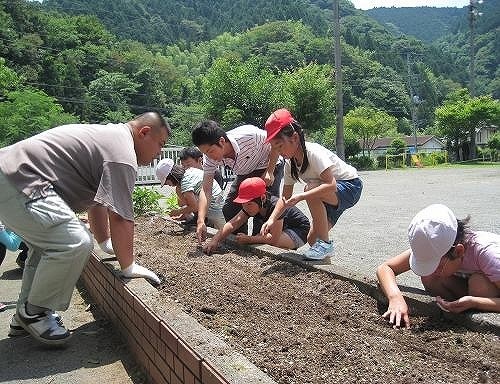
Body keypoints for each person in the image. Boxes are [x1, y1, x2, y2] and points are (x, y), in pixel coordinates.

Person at [0, 111, 170, 345]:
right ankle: (35, 312)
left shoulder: (110, 140)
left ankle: (24, 318)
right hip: (19, 178)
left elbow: (99, 203)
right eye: (160, 145)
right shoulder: (122, 154)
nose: (159, 153)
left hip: (11, 175)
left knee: (47, 249)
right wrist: (128, 266)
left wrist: (104, 243)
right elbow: (121, 216)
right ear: (144, 132)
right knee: (75, 242)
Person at [260, 108, 362, 261]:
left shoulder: (312, 152)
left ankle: (326, 244)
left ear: (294, 138)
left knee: (311, 188)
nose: (278, 152)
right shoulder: (290, 164)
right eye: (275, 148)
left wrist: (302, 196)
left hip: (349, 187)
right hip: (328, 195)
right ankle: (326, 262)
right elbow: (284, 198)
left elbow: (331, 185)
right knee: (313, 240)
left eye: (280, 146)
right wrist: (272, 219)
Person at [377, 204, 500, 329]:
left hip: (492, 293)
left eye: (437, 266)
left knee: (479, 285)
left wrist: (475, 302)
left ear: (458, 251)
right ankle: (457, 310)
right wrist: (395, 298)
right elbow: (385, 268)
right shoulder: (434, 245)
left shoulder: (488, 253)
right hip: (469, 290)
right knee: (429, 277)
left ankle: (470, 308)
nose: (434, 271)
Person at [191, 120, 283, 242]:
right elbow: (206, 189)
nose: (209, 156)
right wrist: (201, 220)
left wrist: (270, 171)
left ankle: (260, 242)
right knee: (229, 209)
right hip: (244, 172)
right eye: (205, 153)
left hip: (268, 165)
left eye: (210, 151)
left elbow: (274, 142)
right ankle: (240, 242)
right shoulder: (209, 158)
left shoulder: (250, 135)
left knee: (262, 207)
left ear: (222, 141)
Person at [203, 177, 310, 255]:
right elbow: (233, 223)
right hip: (281, 229)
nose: (245, 207)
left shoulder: (274, 206)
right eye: (243, 203)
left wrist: (250, 239)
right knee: (260, 238)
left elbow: (274, 239)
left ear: (262, 198)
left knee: (271, 243)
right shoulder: (251, 206)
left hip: (299, 230)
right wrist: (215, 240)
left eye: (249, 203)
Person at [155, 158, 225, 229]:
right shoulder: (189, 171)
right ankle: (203, 220)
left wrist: (177, 212)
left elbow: (194, 207)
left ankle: (209, 223)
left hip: (214, 206)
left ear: (172, 176)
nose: (167, 184)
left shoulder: (185, 183)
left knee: (222, 232)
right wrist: (183, 214)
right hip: (218, 199)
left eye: (166, 182)